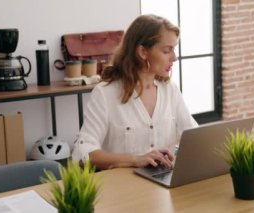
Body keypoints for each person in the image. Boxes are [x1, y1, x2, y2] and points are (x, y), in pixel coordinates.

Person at [72, 14, 198, 170]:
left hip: (163, 183)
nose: (174, 57)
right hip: (125, 189)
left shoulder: (170, 90)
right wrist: (136, 159)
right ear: (143, 52)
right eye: (167, 51)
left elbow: (194, 136)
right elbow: (83, 153)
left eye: (174, 49)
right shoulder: (105, 94)